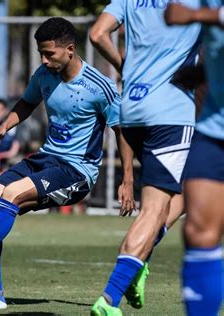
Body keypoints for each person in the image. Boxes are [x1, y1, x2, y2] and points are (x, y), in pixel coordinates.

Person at [0, 17, 135, 310]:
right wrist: (3, 127)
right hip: (46, 159)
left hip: (77, 171)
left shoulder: (100, 87)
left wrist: (128, 181)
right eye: (41, 54)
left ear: (70, 50)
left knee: (12, 194)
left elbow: (122, 132)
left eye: (49, 54)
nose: (44, 60)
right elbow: (26, 103)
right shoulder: (44, 75)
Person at [89, 0, 201, 314]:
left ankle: (139, 259)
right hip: (171, 114)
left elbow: (98, 34)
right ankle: (109, 299)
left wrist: (125, 67)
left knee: (183, 193)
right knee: (153, 209)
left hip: (133, 109)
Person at [165, 2, 224, 315]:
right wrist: (204, 72)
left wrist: (195, 16)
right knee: (198, 231)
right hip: (214, 130)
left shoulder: (200, 9)